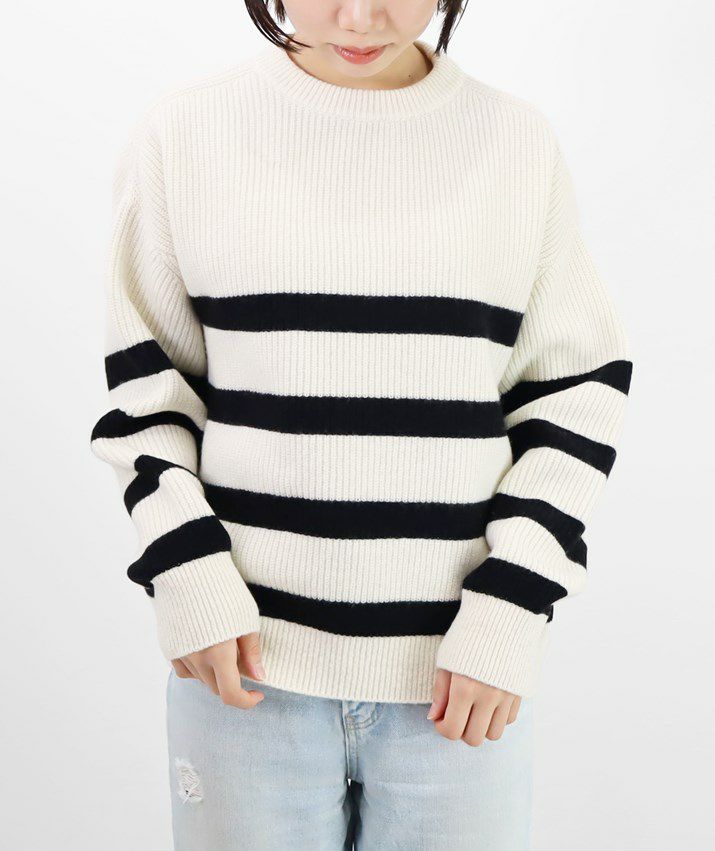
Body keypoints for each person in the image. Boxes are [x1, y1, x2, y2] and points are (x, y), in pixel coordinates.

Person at [89, 1, 633, 847]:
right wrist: (186, 573)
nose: (357, 15)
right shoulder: (184, 135)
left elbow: (573, 393)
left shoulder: (515, 145)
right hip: (242, 674)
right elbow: (146, 392)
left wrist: (512, 605)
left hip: (459, 682)